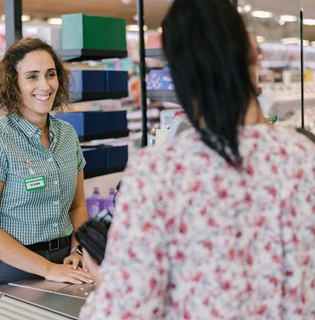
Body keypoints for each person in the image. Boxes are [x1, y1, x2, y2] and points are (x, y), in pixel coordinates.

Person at [79, 0, 315, 319]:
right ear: (251, 49)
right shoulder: (304, 159)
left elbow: (127, 312)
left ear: (176, 73)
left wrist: (106, 284)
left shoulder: (157, 172)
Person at [0, 38, 92, 287]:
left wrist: (78, 250)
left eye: (50, 74)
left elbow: (77, 207)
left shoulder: (67, 135)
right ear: (14, 83)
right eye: (32, 76)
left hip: (64, 262)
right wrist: (47, 269)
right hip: (8, 270)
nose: (44, 85)